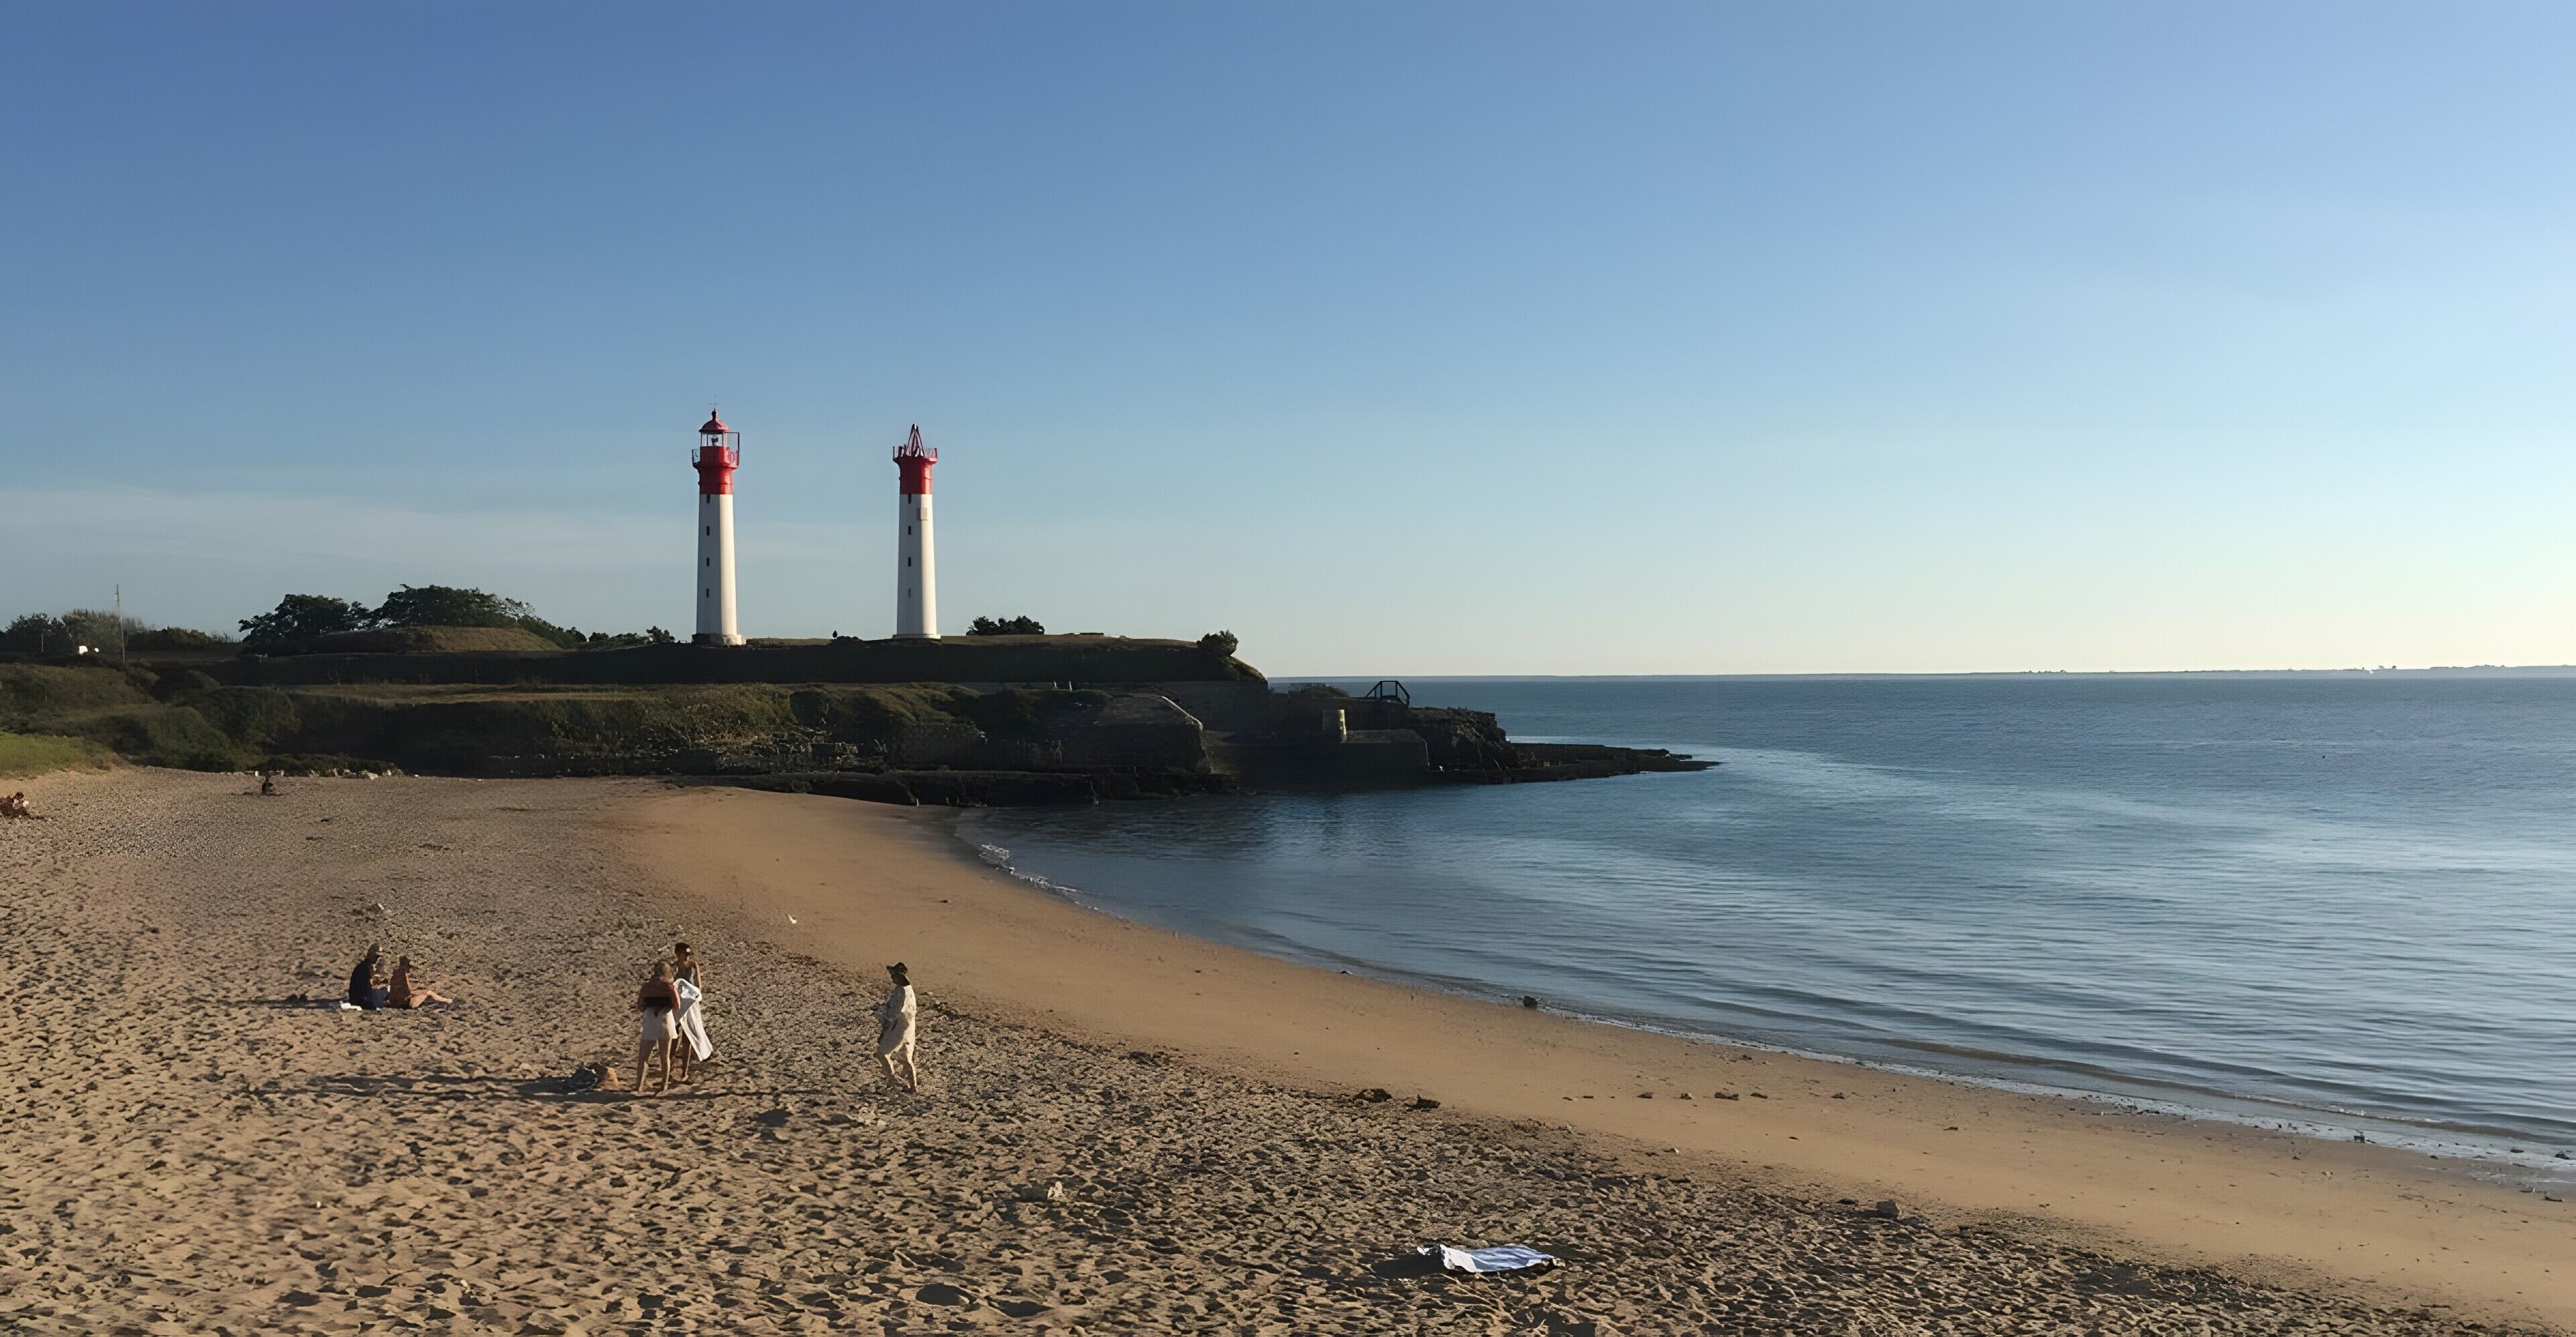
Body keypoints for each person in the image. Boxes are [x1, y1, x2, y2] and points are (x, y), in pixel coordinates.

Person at [633, 961, 681, 1095]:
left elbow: (640, 1004)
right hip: (665, 1018)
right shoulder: (670, 987)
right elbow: (677, 1005)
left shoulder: (647, 987)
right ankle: (664, 1085)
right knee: (664, 1056)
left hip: (650, 1019)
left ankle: (639, 1086)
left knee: (644, 1056)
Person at [875, 962, 919, 1093]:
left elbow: (892, 1015)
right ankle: (913, 1087)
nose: (892, 978)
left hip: (898, 1029)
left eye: (893, 974)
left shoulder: (901, 992)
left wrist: (884, 1033)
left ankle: (892, 1081)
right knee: (906, 1060)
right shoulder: (909, 989)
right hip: (910, 1030)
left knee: (882, 1054)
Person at [670, 942, 711, 1083]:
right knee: (673, 1038)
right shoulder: (673, 967)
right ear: (678, 953)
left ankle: (684, 1072)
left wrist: (692, 996)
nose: (686, 957)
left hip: (689, 1005)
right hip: (676, 1005)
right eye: (683, 953)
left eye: (688, 954)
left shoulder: (694, 965)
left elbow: (699, 985)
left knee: (687, 1039)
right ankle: (668, 1070)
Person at [388, 955, 452, 1009]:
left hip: (400, 1001)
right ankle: (443, 1001)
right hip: (404, 1002)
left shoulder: (400, 974)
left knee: (426, 993)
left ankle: (443, 1001)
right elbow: (404, 993)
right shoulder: (401, 975)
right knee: (426, 993)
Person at [346, 945, 390, 1010]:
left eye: (380, 956)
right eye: (377, 956)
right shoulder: (363, 968)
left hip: (371, 1001)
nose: (378, 959)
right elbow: (361, 990)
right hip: (365, 1002)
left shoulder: (375, 968)